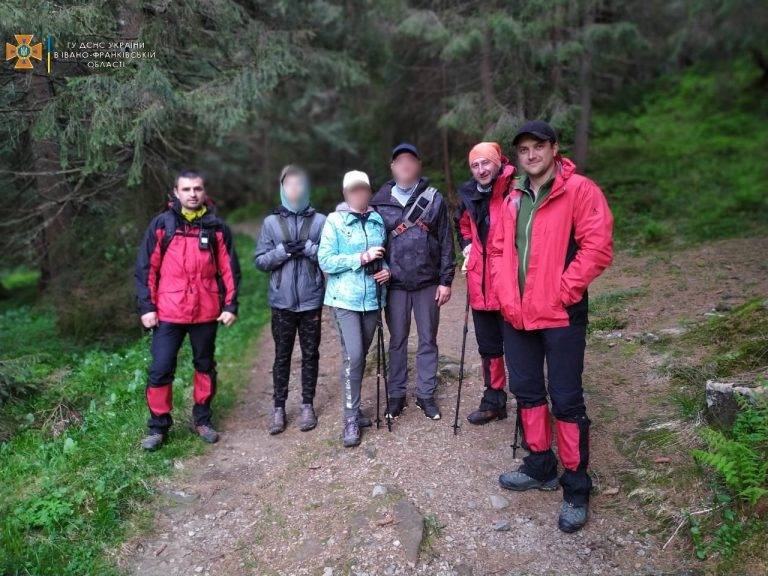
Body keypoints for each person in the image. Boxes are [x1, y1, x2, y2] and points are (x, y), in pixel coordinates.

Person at [488, 120, 613, 533]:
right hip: (517, 315)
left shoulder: (580, 190)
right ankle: (540, 465)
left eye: (537, 147)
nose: (530, 155)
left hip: (560, 313)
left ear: (554, 148)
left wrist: (564, 290)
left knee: (567, 400)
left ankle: (576, 487)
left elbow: (597, 247)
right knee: (526, 392)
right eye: (523, 150)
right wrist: (505, 294)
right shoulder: (511, 197)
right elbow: (500, 250)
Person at [135, 170, 241, 451]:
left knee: (204, 366)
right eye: (187, 189)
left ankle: (202, 420)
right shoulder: (162, 225)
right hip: (168, 311)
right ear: (176, 192)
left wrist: (230, 305)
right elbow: (147, 268)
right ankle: (158, 427)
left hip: (205, 311)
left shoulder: (216, 227)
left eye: (197, 189)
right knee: (160, 369)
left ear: (204, 192)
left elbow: (229, 269)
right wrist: (147, 306)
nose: (192, 194)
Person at [369, 143, 455, 421]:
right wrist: (379, 268)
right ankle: (396, 396)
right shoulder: (379, 204)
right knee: (397, 341)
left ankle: (426, 395)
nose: (405, 165)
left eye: (410, 160)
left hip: (428, 282)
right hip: (394, 286)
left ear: (418, 165)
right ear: (392, 167)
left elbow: (446, 242)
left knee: (428, 340)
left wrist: (446, 280)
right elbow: (372, 243)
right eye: (399, 161)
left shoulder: (434, 199)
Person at [317, 170, 391, 447]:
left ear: (369, 191)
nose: (358, 194)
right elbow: (326, 261)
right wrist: (360, 257)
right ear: (345, 193)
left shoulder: (376, 221)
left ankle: (355, 408)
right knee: (356, 355)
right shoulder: (335, 221)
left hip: (372, 300)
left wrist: (387, 272)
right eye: (352, 190)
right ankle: (350, 418)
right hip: (343, 300)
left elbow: (383, 257)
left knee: (356, 357)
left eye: (362, 189)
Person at [254, 165, 326, 435]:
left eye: (300, 185)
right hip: (281, 303)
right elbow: (260, 261)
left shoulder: (320, 221)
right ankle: (279, 409)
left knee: (310, 354)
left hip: (310, 302)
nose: (295, 190)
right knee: (281, 355)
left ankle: (308, 404)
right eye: (290, 185)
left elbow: (329, 257)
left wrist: (309, 249)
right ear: (282, 188)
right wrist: (282, 252)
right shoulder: (271, 223)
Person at [455, 142, 516, 425]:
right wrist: (467, 245)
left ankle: (530, 407)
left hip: (509, 283)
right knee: (488, 348)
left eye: (486, 163)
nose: (481, 170)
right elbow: (464, 225)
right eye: (475, 165)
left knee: (519, 349)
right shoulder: (470, 195)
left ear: (497, 163)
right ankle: (494, 400)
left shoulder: (514, 189)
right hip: (480, 285)